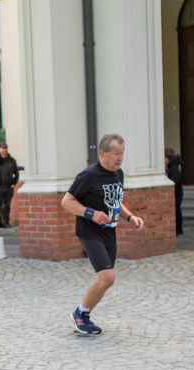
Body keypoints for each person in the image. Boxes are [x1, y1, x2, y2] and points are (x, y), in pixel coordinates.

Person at [61, 133, 146, 335]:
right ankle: (80, 315)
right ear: (103, 153)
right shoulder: (88, 175)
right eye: (116, 153)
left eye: (122, 153)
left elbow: (116, 201)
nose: (120, 158)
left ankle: (83, 315)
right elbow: (67, 201)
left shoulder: (119, 174)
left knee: (107, 280)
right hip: (90, 232)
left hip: (109, 233)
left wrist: (130, 217)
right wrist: (91, 214)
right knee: (107, 276)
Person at [0, 143, 20, 229]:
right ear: (0, 149)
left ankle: (6, 222)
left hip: (9, 187)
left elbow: (16, 173)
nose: (4, 150)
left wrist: (13, 184)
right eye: (3, 148)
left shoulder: (12, 160)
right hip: (0, 187)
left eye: (5, 148)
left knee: (7, 205)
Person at [165, 147, 184, 236]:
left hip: (176, 193)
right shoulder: (172, 167)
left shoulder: (173, 169)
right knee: (177, 211)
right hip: (177, 192)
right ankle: (178, 229)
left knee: (176, 211)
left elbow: (174, 181)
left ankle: (177, 230)